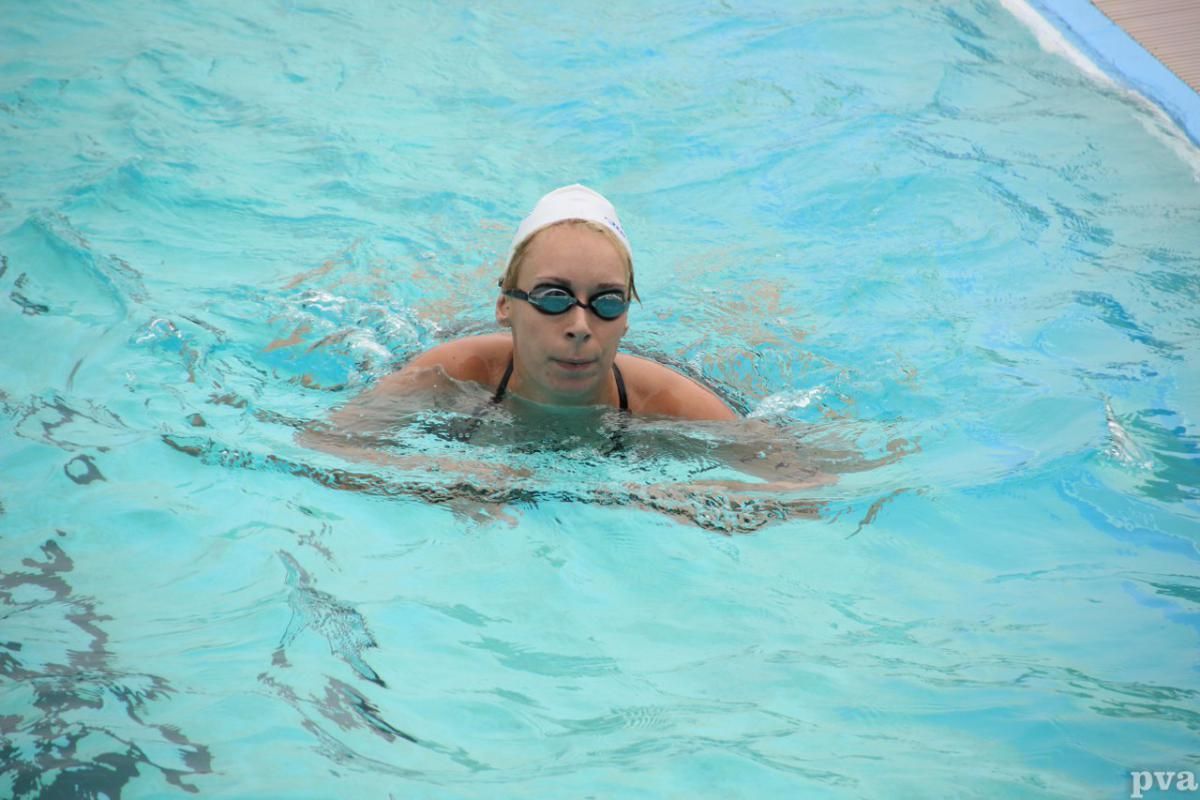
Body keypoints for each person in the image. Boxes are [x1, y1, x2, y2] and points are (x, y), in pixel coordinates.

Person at [342, 184, 737, 423]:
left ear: (627, 319)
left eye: (608, 302)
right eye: (553, 297)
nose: (581, 325)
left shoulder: (670, 401)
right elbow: (330, 446)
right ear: (505, 306)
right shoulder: (452, 372)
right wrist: (443, 482)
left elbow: (795, 486)